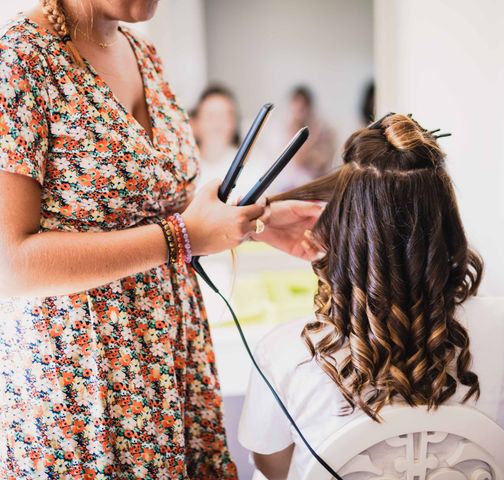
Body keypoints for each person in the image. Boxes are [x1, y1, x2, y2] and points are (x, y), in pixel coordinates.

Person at [0, 1, 322, 478]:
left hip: (173, 353)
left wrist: (256, 221)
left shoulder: (143, 52)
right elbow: (11, 263)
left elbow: (160, 205)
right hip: (82, 377)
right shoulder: (20, 61)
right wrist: (182, 238)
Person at [238, 114, 504, 479]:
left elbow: (271, 468)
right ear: (445, 222)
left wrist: (250, 224)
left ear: (342, 227)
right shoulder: (500, 324)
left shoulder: (286, 351)